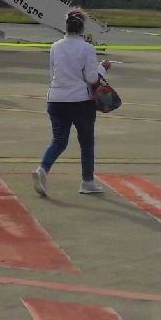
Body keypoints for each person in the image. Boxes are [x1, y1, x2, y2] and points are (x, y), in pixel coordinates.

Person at [34, 10, 113, 197]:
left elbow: (52, 74)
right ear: (82, 28)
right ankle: (87, 181)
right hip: (80, 101)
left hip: (56, 99)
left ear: (66, 27)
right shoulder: (87, 48)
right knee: (86, 143)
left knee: (59, 141)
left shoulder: (55, 47)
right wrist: (103, 67)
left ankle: (43, 169)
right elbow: (91, 78)